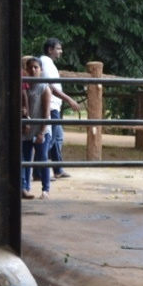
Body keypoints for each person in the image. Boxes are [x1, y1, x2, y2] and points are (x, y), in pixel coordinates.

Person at [38, 38, 81, 180]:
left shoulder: (48, 63)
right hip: (51, 106)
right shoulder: (45, 63)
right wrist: (68, 99)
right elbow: (50, 85)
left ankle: (58, 169)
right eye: (58, 49)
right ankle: (39, 171)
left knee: (57, 138)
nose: (60, 52)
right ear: (50, 50)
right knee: (49, 140)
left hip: (54, 105)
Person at [21, 56, 53, 200]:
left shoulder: (44, 88)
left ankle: (46, 189)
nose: (33, 70)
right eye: (30, 68)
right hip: (27, 130)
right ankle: (25, 187)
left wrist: (42, 131)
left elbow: (46, 112)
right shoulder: (25, 86)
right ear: (26, 70)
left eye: (36, 67)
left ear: (41, 70)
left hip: (41, 128)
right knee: (25, 159)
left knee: (42, 158)